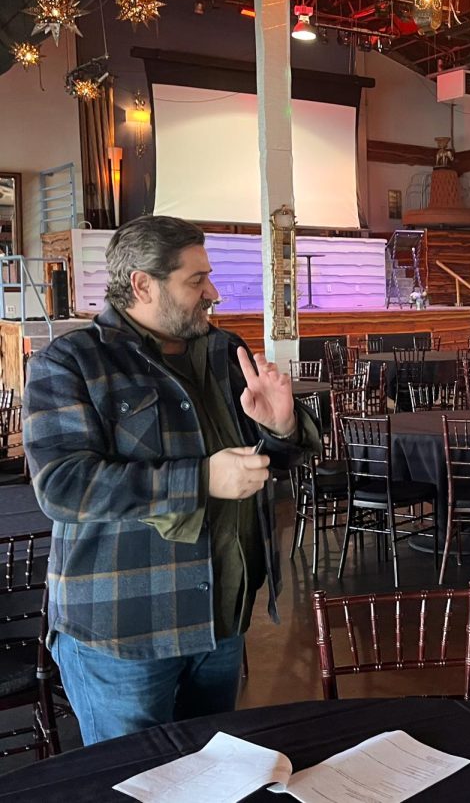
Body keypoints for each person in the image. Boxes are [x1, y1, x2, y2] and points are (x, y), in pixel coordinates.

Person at [23, 215, 319, 745]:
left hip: (220, 622)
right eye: (196, 279)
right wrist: (201, 479)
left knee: (212, 778)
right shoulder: (70, 362)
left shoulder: (223, 353)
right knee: (137, 781)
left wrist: (283, 428)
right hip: (127, 631)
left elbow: (259, 465)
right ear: (142, 284)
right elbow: (63, 486)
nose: (214, 292)